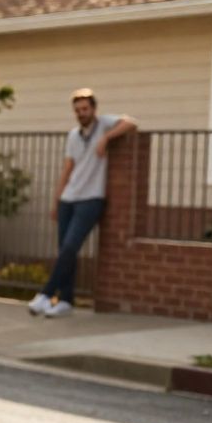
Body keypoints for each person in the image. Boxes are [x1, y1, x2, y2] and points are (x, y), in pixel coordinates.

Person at [28, 89, 137, 318]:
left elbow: (131, 123)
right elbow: (67, 169)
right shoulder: (73, 136)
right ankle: (65, 300)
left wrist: (106, 138)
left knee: (70, 246)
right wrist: (57, 200)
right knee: (65, 252)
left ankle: (46, 294)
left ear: (93, 109)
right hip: (69, 198)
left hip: (91, 199)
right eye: (77, 110)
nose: (81, 113)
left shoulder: (104, 124)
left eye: (85, 109)